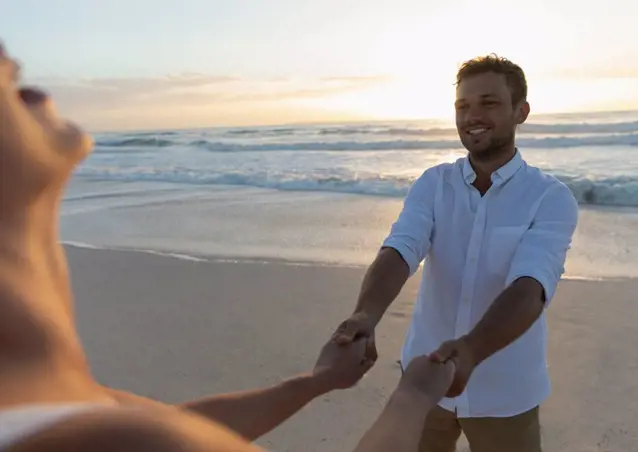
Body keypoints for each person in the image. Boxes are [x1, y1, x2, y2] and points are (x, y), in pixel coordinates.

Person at [0, 42, 457, 452]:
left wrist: (315, 384)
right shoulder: (113, 440)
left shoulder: (33, 390)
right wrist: (411, 400)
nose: (19, 70)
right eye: (3, 72)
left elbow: (174, 424)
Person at [332, 54, 580, 452]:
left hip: (506, 392)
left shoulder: (550, 198)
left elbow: (531, 285)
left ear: (522, 111)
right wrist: (366, 314)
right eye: (463, 106)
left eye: (489, 103)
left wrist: (471, 350)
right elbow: (401, 248)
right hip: (424, 383)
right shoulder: (433, 184)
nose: (472, 116)